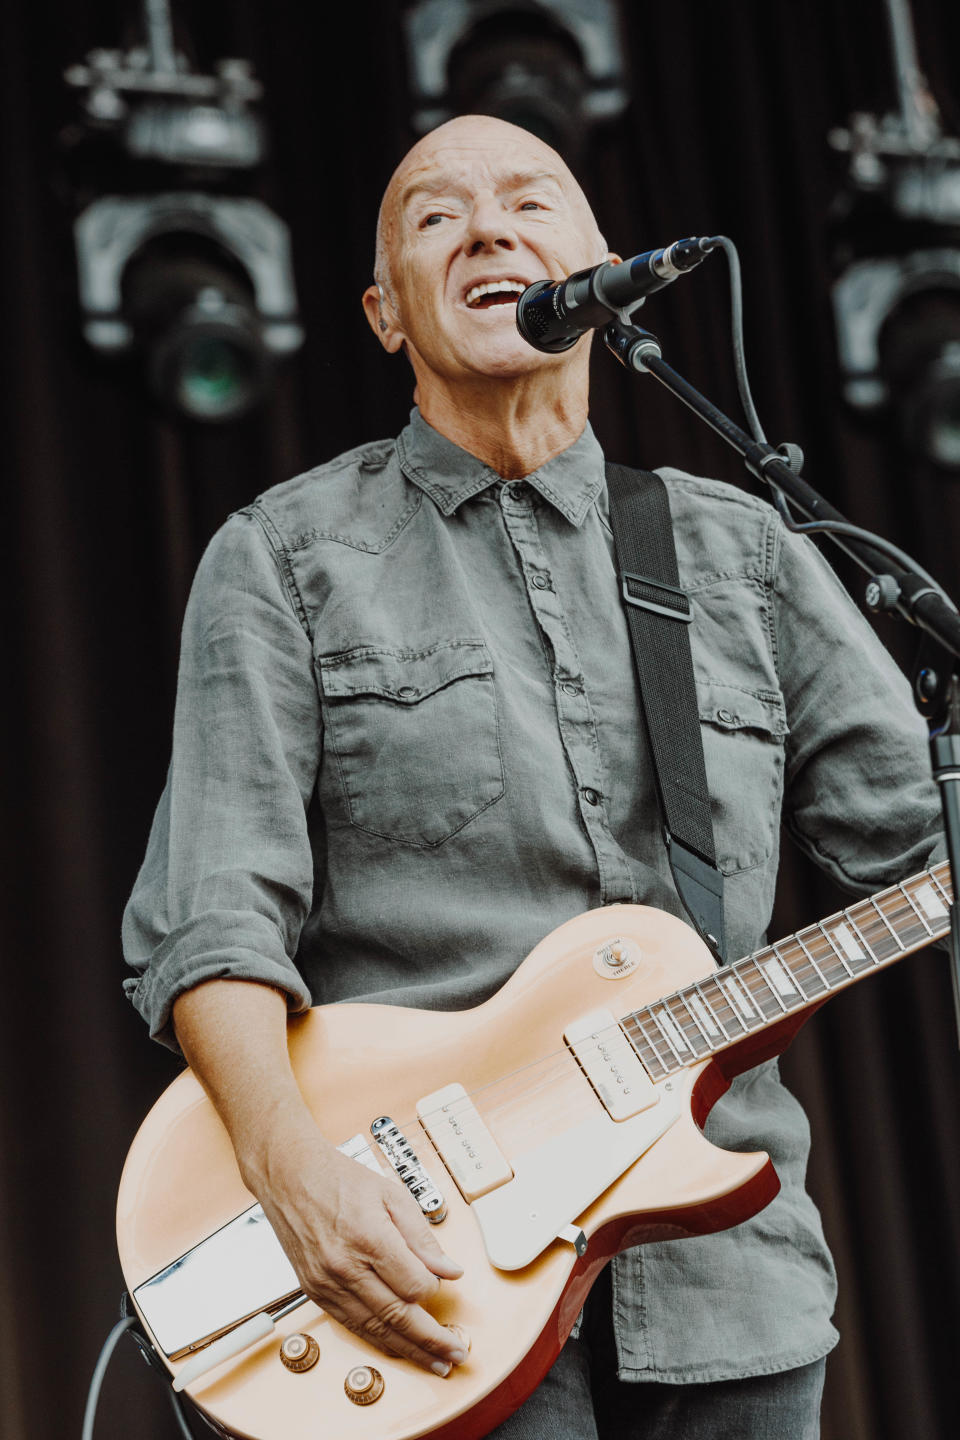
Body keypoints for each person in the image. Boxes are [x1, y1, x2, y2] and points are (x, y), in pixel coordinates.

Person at [123, 114, 945, 1437]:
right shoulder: (283, 558)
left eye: (528, 202)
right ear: (385, 314)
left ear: (604, 269)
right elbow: (214, 921)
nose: (491, 228)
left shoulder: (745, 552)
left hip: (730, 1280)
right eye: (438, 216)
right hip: (422, 1271)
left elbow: (918, 844)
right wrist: (293, 1177)